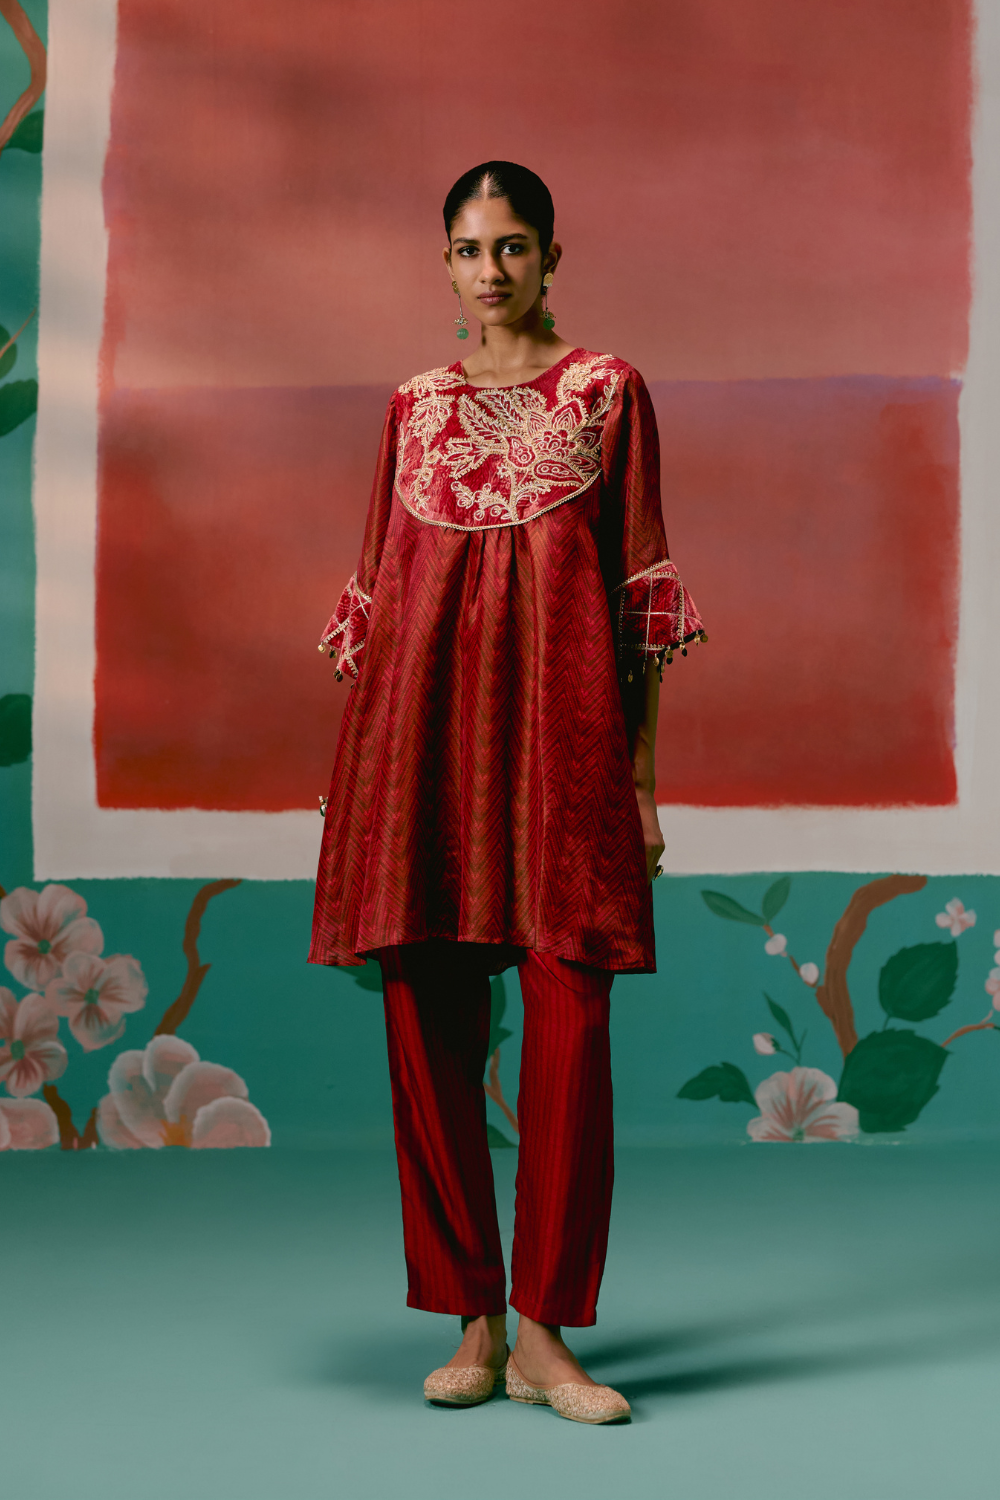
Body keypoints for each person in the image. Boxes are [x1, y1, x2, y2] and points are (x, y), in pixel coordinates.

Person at [310, 161, 705, 1424]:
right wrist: (360, 786)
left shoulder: (607, 393)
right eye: (471, 249)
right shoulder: (411, 407)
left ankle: (545, 1333)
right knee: (426, 1022)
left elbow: (639, 601)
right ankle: (470, 1317)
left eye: (514, 246)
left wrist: (640, 786)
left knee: (570, 1028)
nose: (493, 270)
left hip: (565, 752)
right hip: (419, 753)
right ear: (446, 263)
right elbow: (380, 594)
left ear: (550, 258)